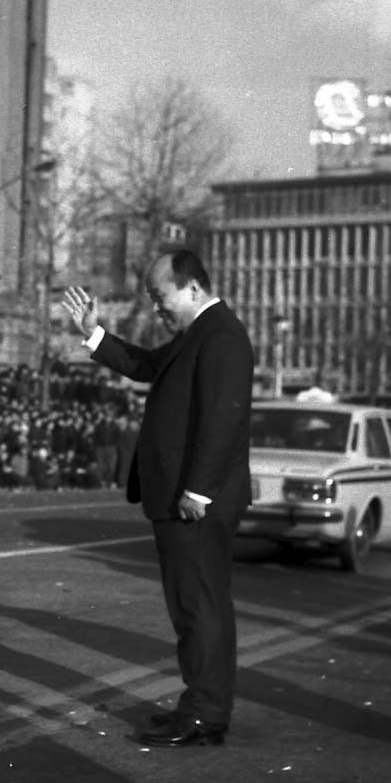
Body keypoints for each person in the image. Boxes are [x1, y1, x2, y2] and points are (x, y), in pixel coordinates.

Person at [62, 250, 254, 748]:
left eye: (159, 296)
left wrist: (198, 489)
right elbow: (146, 364)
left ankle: (206, 712)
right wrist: (95, 333)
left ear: (192, 289)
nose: (155, 308)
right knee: (195, 606)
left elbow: (222, 420)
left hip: (195, 500)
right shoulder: (197, 336)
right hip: (184, 496)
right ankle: (203, 706)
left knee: (198, 607)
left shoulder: (222, 338)